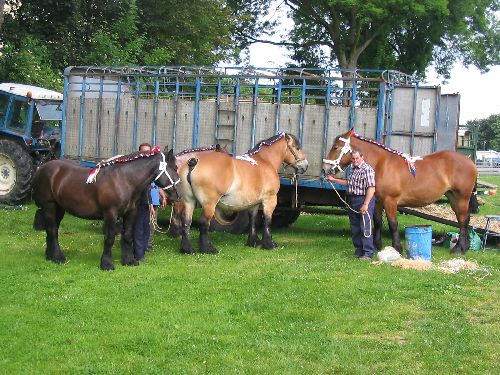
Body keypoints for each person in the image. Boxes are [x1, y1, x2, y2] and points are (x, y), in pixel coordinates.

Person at [326, 149, 376, 260]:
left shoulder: (367, 169)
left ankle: (368, 253)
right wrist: (334, 180)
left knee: (365, 227)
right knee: (355, 228)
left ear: (362, 157)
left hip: (363, 200)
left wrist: (366, 204)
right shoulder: (353, 169)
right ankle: (359, 251)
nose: (355, 160)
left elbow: (371, 188)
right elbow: (349, 183)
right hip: (352, 200)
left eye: (357, 158)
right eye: (353, 159)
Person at [133, 143, 166, 260]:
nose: (147, 154)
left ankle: (143, 249)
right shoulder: (136, 167)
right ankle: (138, 254)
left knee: (147, 227)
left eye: (148, 151)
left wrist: (151, 203)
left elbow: (152, 185)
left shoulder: (150, 168)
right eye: (144, 151)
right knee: (138, 228)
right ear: (139, 153)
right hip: (137, 202)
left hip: (147, 201)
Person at [147, 182, 167, 251]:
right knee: (147, 223)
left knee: (153, 223)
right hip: (148, 204)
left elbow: (158, 188)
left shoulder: (156, 179)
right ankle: (145, 244)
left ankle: (149, 243)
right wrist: (150, 204)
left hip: (155, 203)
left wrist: (164, 197)